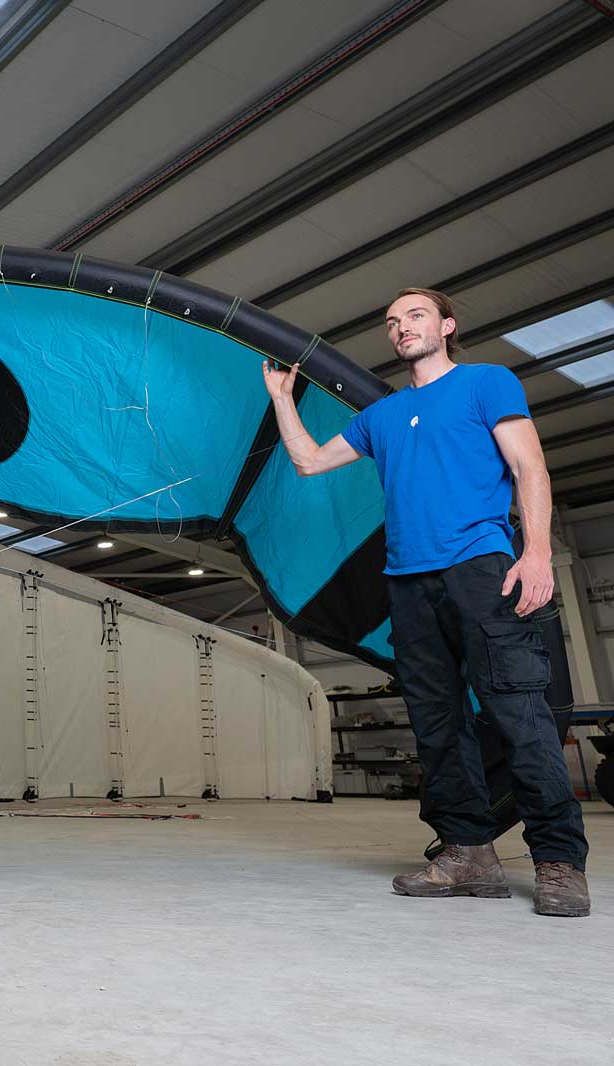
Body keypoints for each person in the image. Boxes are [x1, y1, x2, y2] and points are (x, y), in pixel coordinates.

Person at [261, 287, 589, 917]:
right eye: (392, 322)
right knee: (437, 726)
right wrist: (281, 399)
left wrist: (539, 553)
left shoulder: (486, 382)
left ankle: (558, 861)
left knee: (519, 713)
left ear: (446, 324)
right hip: (408, 582)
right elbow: (306, 462)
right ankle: (470, 853)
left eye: (415, 316)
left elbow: (530, 469)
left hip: (482, 568)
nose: (401, 327)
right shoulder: (380, 416)